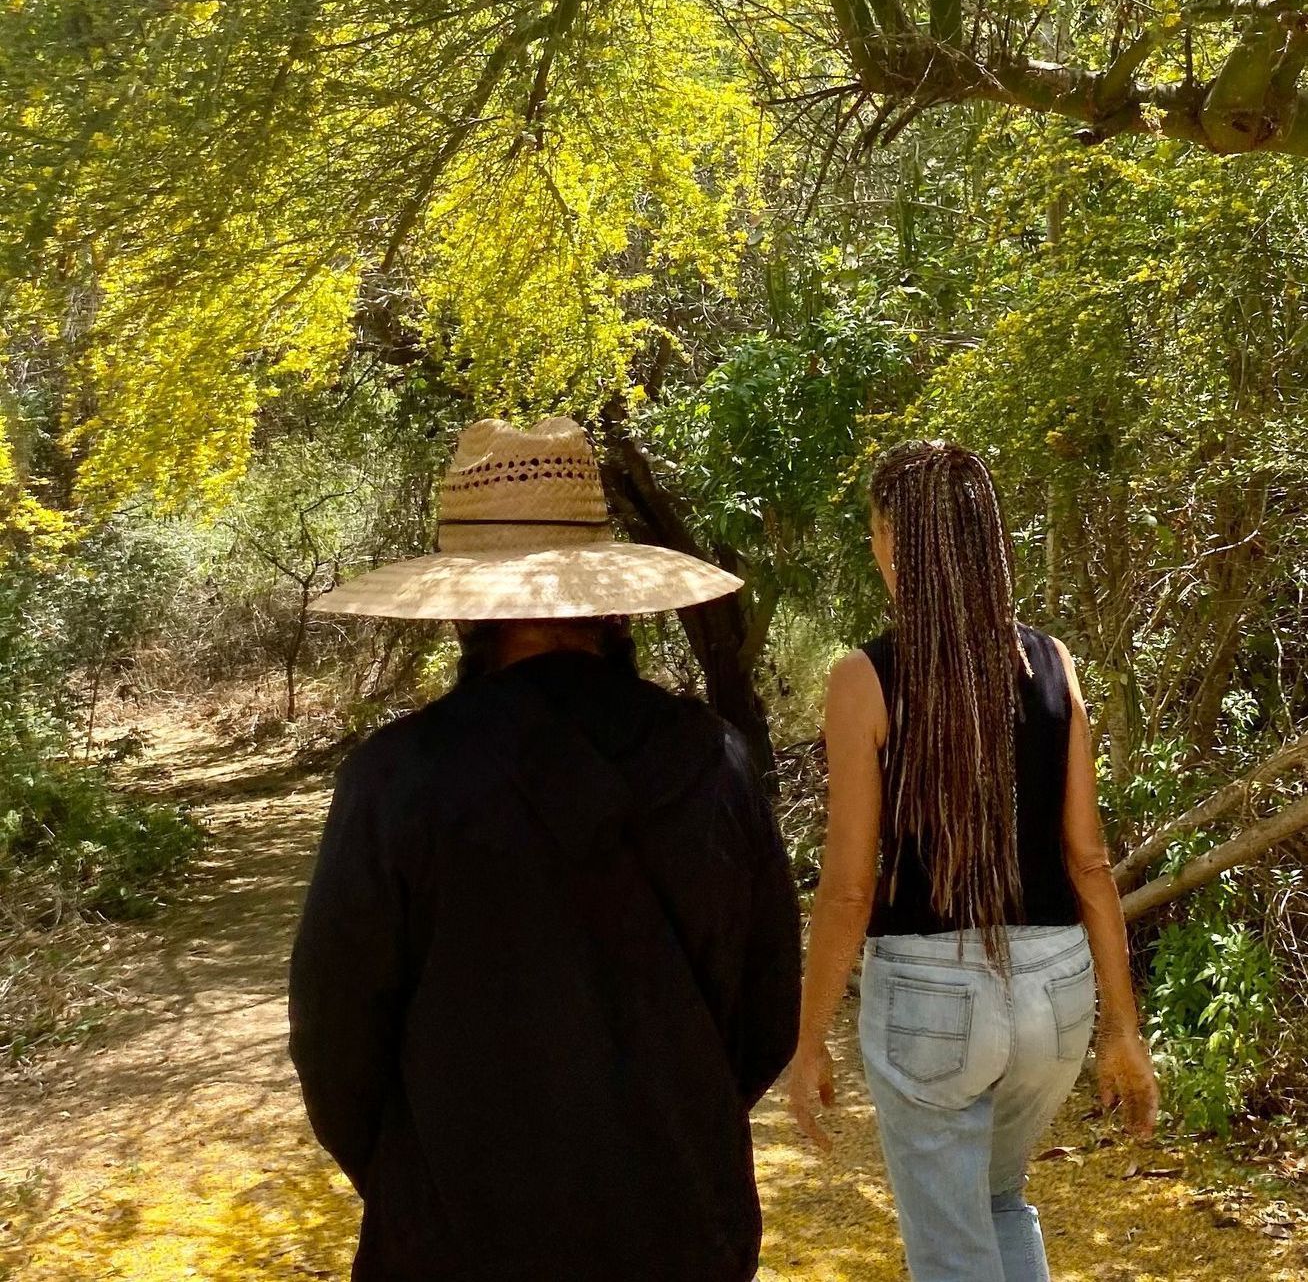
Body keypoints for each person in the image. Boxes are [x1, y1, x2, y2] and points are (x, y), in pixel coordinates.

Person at [289, 416, 801, 1282]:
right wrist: (674, 1128)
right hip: (681, 1227)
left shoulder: (399, 777)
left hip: (451, 1236)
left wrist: (416, 1174)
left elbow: (335, 1036)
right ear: (607, 603)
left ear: (466, 614)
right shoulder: (711, 759)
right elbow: (764, 1015)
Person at [788, 439, 1159, 1282]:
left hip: (931, 999)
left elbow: (848, 889)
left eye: (877, 532)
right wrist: (1122, 1029)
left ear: (897, 543)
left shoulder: (864, 678)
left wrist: (809, 1037)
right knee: (1000, 1205)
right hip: (1057, 995)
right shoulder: (1051, 662)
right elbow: (1089, 861)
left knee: (952, 1249)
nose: (876, 550)